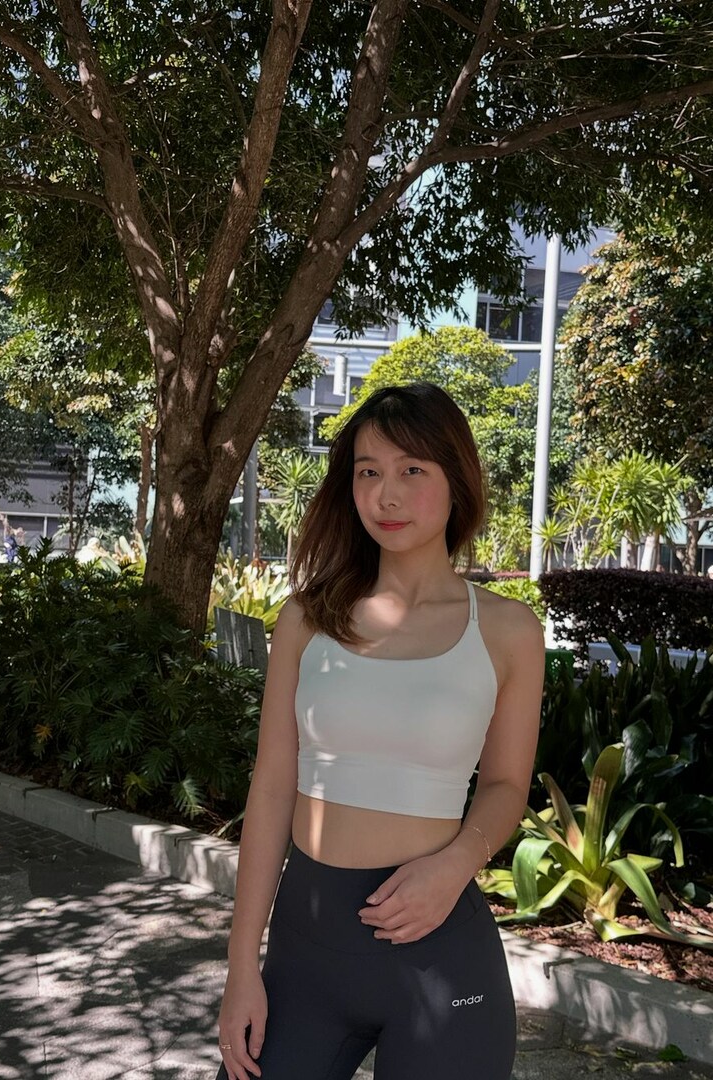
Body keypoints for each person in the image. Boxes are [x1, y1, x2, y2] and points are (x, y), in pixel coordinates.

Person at [215, 383, 545, 1080]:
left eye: (411, 470)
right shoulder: (307, 619)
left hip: (440, 953)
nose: (386, 495)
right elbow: (271, 787)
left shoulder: (509, 630)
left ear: (457, 481)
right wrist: (242, 965)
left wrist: (455, 866)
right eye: (368, 472)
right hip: (305, 953)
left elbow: (507, 785)